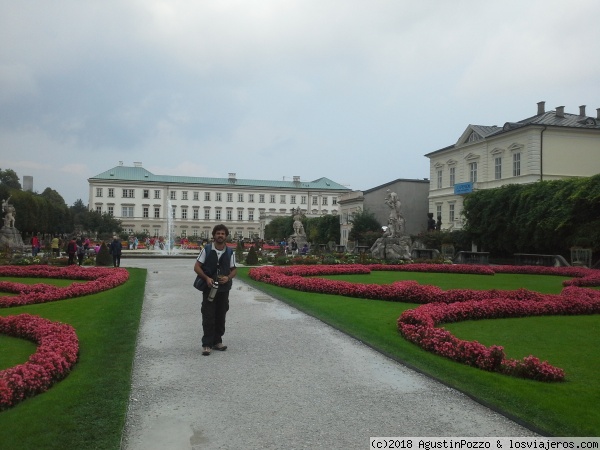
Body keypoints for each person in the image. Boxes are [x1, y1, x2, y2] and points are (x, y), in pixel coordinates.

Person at [193, 224, 237, 356]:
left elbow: (234, 270)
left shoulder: (230, 252)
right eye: (218, 233)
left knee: (221, 314)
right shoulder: (206, 249)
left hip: (223, 289)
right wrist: (206, 278)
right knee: (208, 315)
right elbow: (196, 267)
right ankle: (207, 344)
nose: (220, 235)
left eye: (222, 233)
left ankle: (217, 341)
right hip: (209, 287)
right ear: (214, 235)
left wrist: (228, 278)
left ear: (226, 236)